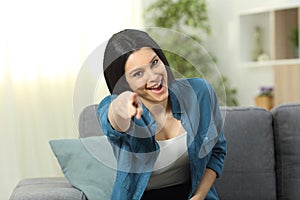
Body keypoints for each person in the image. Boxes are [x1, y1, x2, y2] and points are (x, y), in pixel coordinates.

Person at [97, 29, 227, 200]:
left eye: (154, 62)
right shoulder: (115, 106)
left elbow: (217, 151)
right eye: (138, 73)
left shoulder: (199, 92)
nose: (154, 76)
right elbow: (112, 118)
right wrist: (122, 105)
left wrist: (199, 196)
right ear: (123, 84)